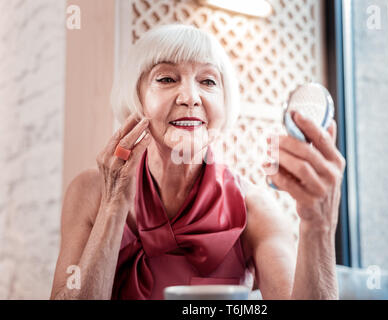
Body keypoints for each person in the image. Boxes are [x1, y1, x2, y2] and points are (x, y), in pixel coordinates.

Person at [50, 24, 346, 300]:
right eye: (166, 78)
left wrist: (318, 224)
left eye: (207, 81)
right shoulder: (89, 191)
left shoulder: (255, 208)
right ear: (136, 99)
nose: (190, 97)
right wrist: (114, 207)